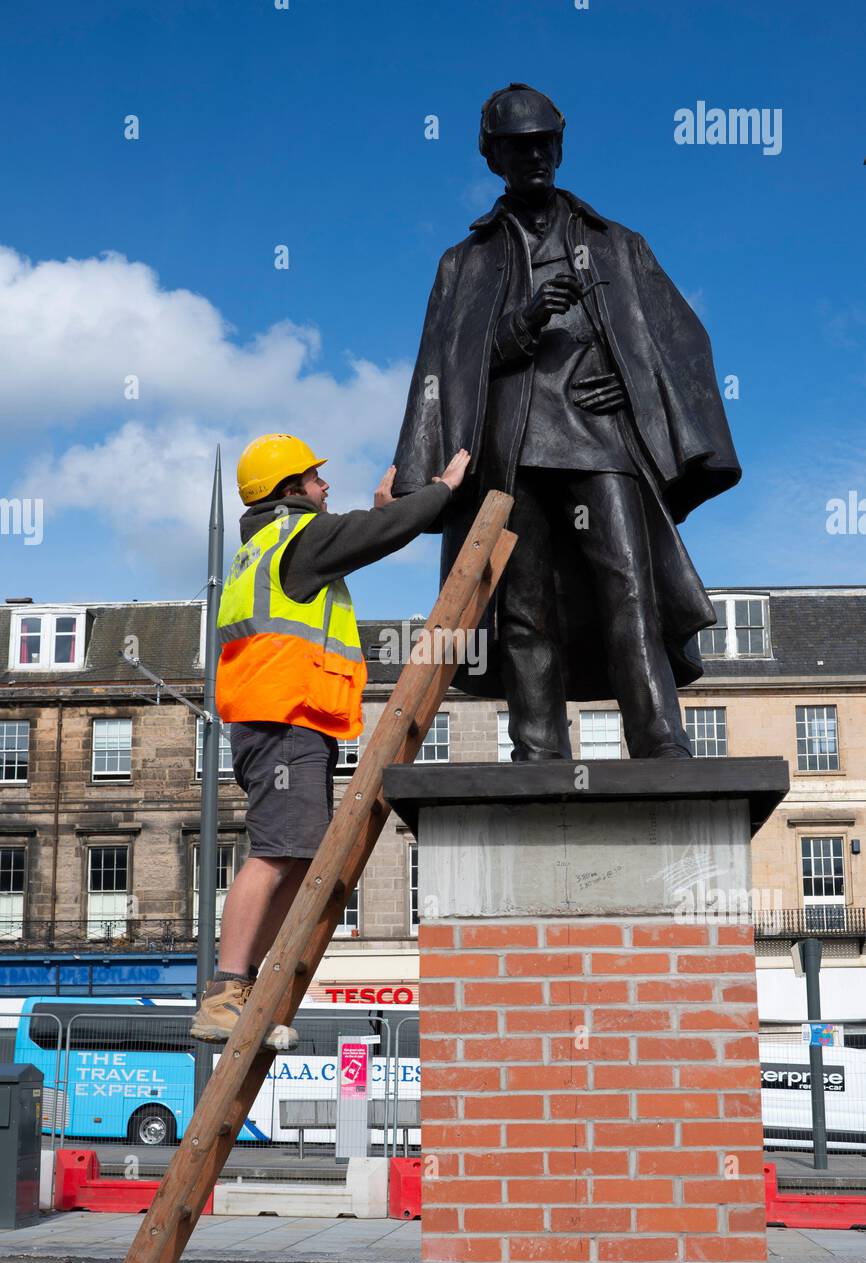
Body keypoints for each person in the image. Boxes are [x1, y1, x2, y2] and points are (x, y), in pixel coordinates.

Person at [391, 84, 741, 761]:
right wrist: (521, 323)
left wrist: (637, 392)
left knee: (629, 586)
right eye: (520, 147)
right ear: (492, 156)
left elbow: (680, 342)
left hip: (600, 440)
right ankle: (539, 749)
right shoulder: (464, 263)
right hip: (511, 451)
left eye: (546, 144)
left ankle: (660, 740)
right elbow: (447, 367)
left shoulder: (616, 243)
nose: (536, 157)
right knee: (523, 605)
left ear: (560, 145)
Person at [190, 433, 469, 1046]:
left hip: (284, 720)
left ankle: (248, 992)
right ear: (291, 490)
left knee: (296, 852)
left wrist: (384, 510)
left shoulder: (265, 547)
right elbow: (378, 534)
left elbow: (370, 528)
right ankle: (224, 992)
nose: (324, 486)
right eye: (315, 479)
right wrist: (442, 490)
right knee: (274, 851)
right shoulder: (300, 535)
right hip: (284, 720)